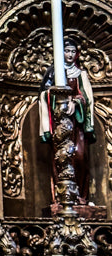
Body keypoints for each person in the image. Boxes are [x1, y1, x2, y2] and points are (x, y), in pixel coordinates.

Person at [39, 40, 96, 205]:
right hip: (59, 124)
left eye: (72, 51)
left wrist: (75, 102)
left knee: (80, 157)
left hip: (76, 124)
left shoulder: (80, 74)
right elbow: (43, 95)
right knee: (61, 158)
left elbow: (86, 97)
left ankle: (80, 196)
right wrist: (59, 98)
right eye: (66, 51)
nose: (70, 55)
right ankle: (62, 197)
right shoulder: (53, 73)